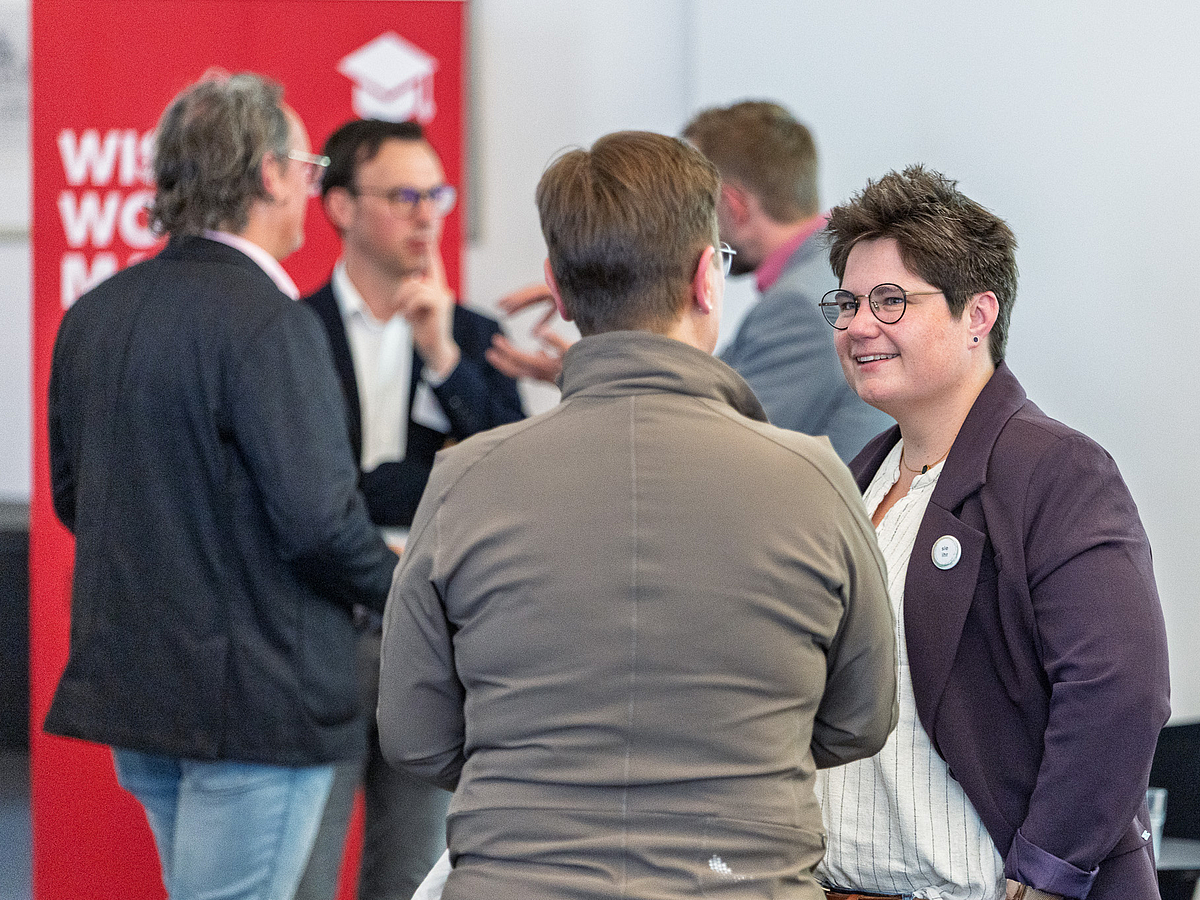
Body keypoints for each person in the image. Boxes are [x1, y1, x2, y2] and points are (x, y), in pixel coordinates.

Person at [377, 130, 899, 900]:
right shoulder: (813, 481)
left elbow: (417, 738)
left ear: (557, 288)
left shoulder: (465, 482)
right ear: (704, 276)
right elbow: (862, 719)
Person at [44, 72, 399, 900]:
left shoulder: (95, 313)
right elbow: (318, 524)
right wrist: (412, 588)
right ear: (272, 174)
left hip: (144, 692)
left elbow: (75, 499)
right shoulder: (272, 323)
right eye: (307, 165)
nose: (310, 186)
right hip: (260, 700)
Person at [813, 165, 1170, 900]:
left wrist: (1047, 873)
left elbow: (1118, 690)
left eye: (890, 301)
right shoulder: (856, 479)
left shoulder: (1056, 470)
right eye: (847, 303)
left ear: (977, 314)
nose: (858, 326)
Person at [295, 118, 523, 900]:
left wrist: (445, 363)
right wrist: (394, 486)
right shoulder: (290, 332)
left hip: (437, 633)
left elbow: (514, 482)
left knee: (414, 871)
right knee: (303, 870)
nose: (428, 214)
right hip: (317, 629)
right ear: (340, 207)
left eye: (437, 193)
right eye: (404, 195)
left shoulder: (476, 338)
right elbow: (292, 495)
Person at [486, 100, 891, 463]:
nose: (686, 228)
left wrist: (597, 371)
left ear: (733, 204)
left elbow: (704, 445)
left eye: (696, 208)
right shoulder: (829, 274)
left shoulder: (799, 307)